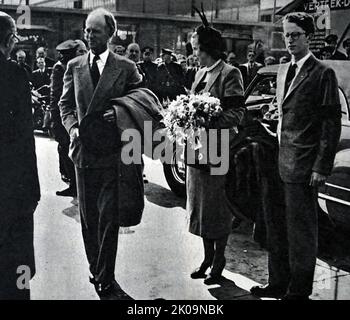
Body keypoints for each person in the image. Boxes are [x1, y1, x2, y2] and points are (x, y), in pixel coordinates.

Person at [251, 12, 341, 300]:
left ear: (308, 37)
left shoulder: (323, 73)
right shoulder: (281, 70)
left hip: (304, 167)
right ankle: (277, 283)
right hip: (279, 162)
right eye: (286, 35)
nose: (289, 40)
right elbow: (285, 113)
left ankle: (298, 291)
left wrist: (321, 166)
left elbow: (330, 124)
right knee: (276, 227)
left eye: (295, 35)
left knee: (302, 233)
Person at [59, 8, 145, 300]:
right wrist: (71, 128)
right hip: (83, 152)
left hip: (114, 153)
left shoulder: (126, 67)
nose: (88, 35)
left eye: (94, 31)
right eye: (86, 30)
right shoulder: (74, 65)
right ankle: (96, 267)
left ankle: (105, 276)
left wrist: (117, 113)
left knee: (109, 217)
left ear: (110, 33)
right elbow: (65, 105)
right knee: (88, 219)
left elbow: (139, 103)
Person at [188, 7, 245, 285]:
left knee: (217, 207)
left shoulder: (229, 73)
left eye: (197, 47)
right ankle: (206, 257)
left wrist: (208, 119)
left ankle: (219, 259)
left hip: (219, 149)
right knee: (200, 207)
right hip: (196, 149)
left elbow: (236, 113)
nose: (194, 52)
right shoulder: (199, 74)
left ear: (208, 47)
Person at [0, 11, 40, 299]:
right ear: (9, 40)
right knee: (14, 265)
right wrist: (32, 189)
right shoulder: (14, 74)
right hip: (11, 186)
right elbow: (25, 138)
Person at [50, 39, 87, 197]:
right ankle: (74, 183)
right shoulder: (60, 68)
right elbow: (56, 96)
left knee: (71, 149)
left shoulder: (80, 66)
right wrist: (54, 119)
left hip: (76, 116)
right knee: (65, 147)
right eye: (80, 52)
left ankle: (76, 184)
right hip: (63, 116)